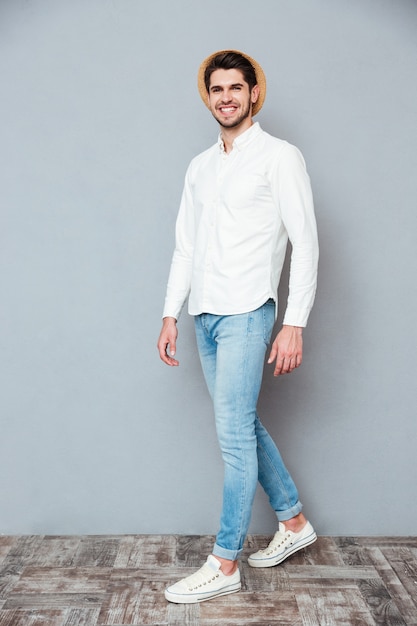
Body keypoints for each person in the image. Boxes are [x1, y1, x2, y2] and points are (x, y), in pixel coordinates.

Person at [157, 49, 319, 604]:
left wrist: (293, 322)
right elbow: (185, 245)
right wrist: (170, 312)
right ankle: (294, 523)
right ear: (209, 97)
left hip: (250, 310)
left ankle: (224, 561)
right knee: (241, 424)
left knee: (231, 435)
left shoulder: (279, 157)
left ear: (254, 93)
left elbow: (307, 242)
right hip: (204, 313)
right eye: (217, 89)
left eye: (236, 87)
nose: (226, 97)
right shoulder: (199, 166)